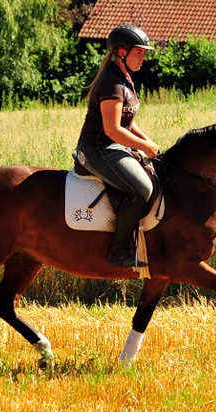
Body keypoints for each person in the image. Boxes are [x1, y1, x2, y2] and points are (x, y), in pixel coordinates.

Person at [76, 24, 159, 269]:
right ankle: (119, 251)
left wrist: (148, 144)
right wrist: (144, 146)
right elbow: (113, 130)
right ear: (121, 53)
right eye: (139, 53)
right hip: (96, 150)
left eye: (144, 53)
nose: (144, 57)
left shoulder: (125, 77)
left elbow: (128, 121)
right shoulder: (111, 83)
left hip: (113, 147)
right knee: (142, 188)